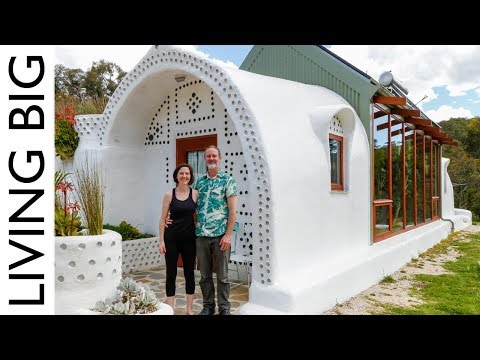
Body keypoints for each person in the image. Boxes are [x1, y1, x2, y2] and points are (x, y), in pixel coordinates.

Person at [166, 145, 238, 315]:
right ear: (205, 159)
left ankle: (224, 308)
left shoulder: (228, 181)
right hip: (200, 236)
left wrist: (228, 235)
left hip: (221, 236)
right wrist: (170, 215)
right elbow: (187, 203)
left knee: (222, 276)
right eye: (208, 156)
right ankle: (208, 306)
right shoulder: (199, 182)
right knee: (204, 275)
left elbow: (233, 211)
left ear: (219, 158)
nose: (211, 159)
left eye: (214, 156)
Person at [159, 163, 198, 315]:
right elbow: (162, 219)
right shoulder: (169, 194)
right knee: (171, 273)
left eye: (187, 173)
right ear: (176, 176)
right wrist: (161, 241)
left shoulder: (195, 194)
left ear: (190, 176)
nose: (184, 176)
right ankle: (171, 309)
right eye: (181, 173)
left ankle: (189, 309)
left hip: (190, 240)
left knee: (189, 273)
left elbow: (197, 215)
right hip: (171, 239)